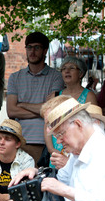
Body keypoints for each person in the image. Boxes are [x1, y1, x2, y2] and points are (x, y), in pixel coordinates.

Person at [6, 31, 65, 165]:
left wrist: (21, 104)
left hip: (45, 141)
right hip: (19, 140)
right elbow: (11, 111)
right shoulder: (15, 77)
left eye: (37, 47)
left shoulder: (56, 76)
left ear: (45, 51)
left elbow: (51, 111)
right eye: (29, 47)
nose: (32, 51)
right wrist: (42, 110)